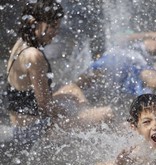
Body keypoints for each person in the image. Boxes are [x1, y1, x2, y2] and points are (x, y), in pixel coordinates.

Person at [4, 0, 113, 133]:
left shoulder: (21, 43)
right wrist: (71, 116)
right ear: (34, 23)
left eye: (58, 27)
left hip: (22, 117)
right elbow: (45, 107)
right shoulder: (34, 56)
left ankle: (87, 113)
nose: (56, 32)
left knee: (73, 89)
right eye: (53, 26)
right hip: (30, 129)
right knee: (107, 113)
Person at [76, 31, 156, 103]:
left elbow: (150, 72)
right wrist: (153, 34)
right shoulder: (137, 41)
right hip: (117, 59)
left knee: (144, 80)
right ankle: (73, 89)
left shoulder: (151, 59)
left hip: (130, 76)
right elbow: (118, 36)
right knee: (92, 76)